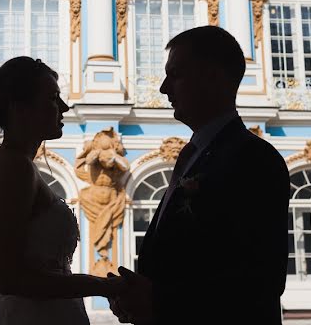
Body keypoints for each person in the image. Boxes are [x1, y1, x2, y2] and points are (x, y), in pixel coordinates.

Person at [109, 26, 289, 325]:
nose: (164, 88)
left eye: (176, 74)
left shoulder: (254, 159)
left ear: (213, 76)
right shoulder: (194, 156)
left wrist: (156, 300)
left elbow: (260, 280)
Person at [0, 56, 125, 325]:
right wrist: (101, 286)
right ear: (19, 107)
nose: (64, 107)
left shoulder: (15, 165)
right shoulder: (13, 167)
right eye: (52, 98)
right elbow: (10, 278)